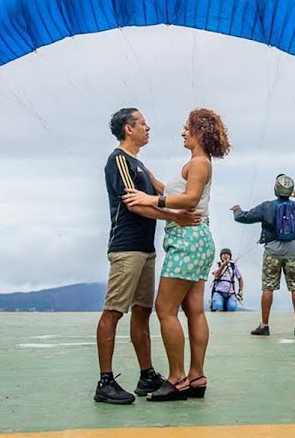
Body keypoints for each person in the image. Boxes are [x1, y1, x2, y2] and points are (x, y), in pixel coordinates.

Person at [95, 108, 203, 405]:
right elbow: (134, 204)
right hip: (126, 247)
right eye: (142, 123)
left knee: (142, 311)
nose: (147, 127)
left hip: (146, 249)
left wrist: (193, 192)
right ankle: (105, 382)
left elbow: (160, 189)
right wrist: (175, 216)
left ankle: (146, 374)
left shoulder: (138, 164)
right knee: (114, 311)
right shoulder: (118, 160)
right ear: (128, 129)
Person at [124, 108, 230, 401]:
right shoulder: (198, 162)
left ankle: (176, 378)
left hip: (185, 240)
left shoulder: (197, 163)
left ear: (199, 132)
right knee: (194, 309)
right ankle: (197, 377)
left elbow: (190, 199)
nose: (183, 132)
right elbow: (177, 190)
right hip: (200, 240)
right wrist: (152, 179)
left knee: (165, 309)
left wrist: (151, 198)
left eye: (187, 128)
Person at [230, 174, 295, 336]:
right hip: (293, 252)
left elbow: (244, 217)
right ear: (291, 190)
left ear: (276, 189)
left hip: (272, 252)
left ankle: (264, 326)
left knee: (268, 287)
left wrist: (236, 210)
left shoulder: (267, 206)